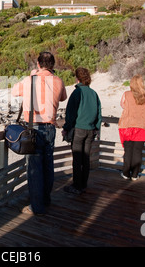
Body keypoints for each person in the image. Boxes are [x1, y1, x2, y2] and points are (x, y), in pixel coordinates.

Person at [12, 52, 67, 215]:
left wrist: (33, 76)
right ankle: (45, 199)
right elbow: (63, 97)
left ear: (38, 64)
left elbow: (15, 91)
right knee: (48, 165)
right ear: (53, 65)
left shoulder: (30, 80)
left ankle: (37, 206)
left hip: (34, 128)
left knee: (34, 168)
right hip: (50, 127)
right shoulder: (58, 81)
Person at [62, 67, 102, 195]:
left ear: (77, 78)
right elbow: (99, 113)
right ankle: (83, 184)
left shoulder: (77, 92)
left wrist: (66, 128)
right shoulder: (94, 93)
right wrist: (96, 127)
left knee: (77, 159)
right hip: (91, 130)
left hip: (79, 129)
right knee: (86, 158)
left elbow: (70, 114)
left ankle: (76, 186)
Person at [118, 75, 145, 181]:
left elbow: (122, 105)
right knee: (138, 151)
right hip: (142, 127)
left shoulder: (126, 94)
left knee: (128, 150)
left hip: (128, 126)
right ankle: (135, 174)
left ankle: (126, 173)